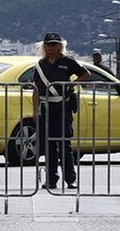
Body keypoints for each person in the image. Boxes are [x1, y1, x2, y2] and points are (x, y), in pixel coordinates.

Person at [32, 32, 90, 190]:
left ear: (60, 46)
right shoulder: (40, 64)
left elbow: (85, 74)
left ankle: (70, 179)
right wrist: (34, 110)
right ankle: (51, 180)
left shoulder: (68, 61)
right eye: (48, 44)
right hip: (45, 107)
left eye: (54, 44)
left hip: (62, 106)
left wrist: (71, 85)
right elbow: (35, 87)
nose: (51, 47)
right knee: (48, 144)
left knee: (65, 143)